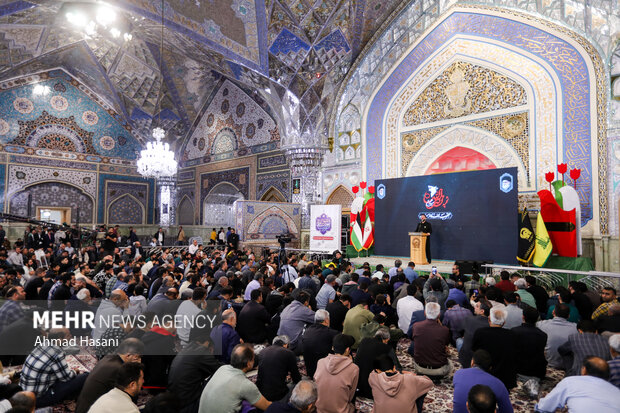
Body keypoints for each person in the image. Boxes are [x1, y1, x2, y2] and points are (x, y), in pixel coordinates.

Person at [19, 328, 88, 407]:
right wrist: (75, 372)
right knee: (86, 376)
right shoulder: (57, 352)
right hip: (39, 399)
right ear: (60, 338)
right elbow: (66, 378)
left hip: (25, 394)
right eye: (68, 335)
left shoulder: (43, 343)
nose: (71, 337)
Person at [76, 339, 144, 413]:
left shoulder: (109, 357)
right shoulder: (120, 369)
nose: (139, 361)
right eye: (138, 357)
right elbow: (130, 393)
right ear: (128, 355)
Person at [198, 343, 271, 413]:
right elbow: (267, 407)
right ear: (248, 364)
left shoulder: (222, 369)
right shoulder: (245, 385)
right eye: (253, 358)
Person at [535, 356, 620, 412]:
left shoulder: (571, 381)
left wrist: (537, 407)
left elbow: (545, 406)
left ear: (584, 370)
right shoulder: (617, 392)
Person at [168, 327, 223, 413]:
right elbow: (219, 369)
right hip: (189, 403)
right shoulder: (201, 351)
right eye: (211, 351)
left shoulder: (186, 349)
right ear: (208, 345)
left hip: (176, 401)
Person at [472, 306, 517, 389]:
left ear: (489, 319)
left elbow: (474, 350)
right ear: (504, 323)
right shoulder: (512, 335)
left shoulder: (480, 332)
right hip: (504, 378)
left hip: (484, 374)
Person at [314, 334, 359, 413]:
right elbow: (350, 396)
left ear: (333, 347)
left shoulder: (320, 362)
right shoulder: (354, 369)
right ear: (348, 350)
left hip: (320, 409)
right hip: (341, 410)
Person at [511, 306, 547, 398]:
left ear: (523, 317)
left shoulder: (514, 331)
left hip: (518, 368)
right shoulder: (543, 335)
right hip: (536, 370)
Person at [354, 327, 401, 399]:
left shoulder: (364, 341)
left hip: (356, 385)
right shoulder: (387, 348)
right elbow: (397, 367)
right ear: (386, 340)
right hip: (372, 389)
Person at [410, 302, 451, 379]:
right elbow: (445, 345)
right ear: (439, 315)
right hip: (439, 370)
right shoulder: (444, 330)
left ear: (425, 313)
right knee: (451, 364)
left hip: (420, 368)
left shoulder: (416, 326)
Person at [256, 335, 301, 402]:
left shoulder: (262, 352)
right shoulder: (288, 353)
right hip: (278, 395)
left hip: (261, 393)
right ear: (286, 345)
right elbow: (296, 377)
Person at [536, 304, 578, 369]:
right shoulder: (575, 328)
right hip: (568, 366)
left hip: (548, 364)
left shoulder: (541, 325)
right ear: (568, 316)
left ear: (553, 313)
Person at [301, 309, 339, 378]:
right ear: (326, 320)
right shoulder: (332, 333)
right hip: (324, 371)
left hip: (310, 370)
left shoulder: (307, 331)